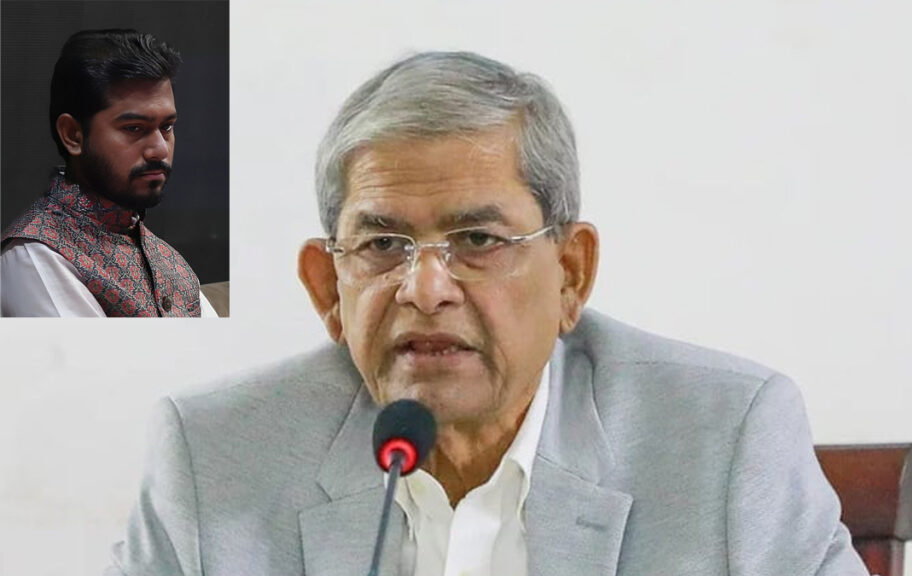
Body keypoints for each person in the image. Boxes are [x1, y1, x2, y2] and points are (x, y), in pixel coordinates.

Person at [107, 52, 869, 575]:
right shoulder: (212, 458)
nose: (425, 288)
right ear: (328, 289)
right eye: (383, 243)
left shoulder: (726, 441)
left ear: (571, 273)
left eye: (478, 240)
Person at [0, 29, 215, 317]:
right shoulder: (36, 258)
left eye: (166, 127)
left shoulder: (168, 260)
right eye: (134, 128)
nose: (160, 149)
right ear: (73, 135)